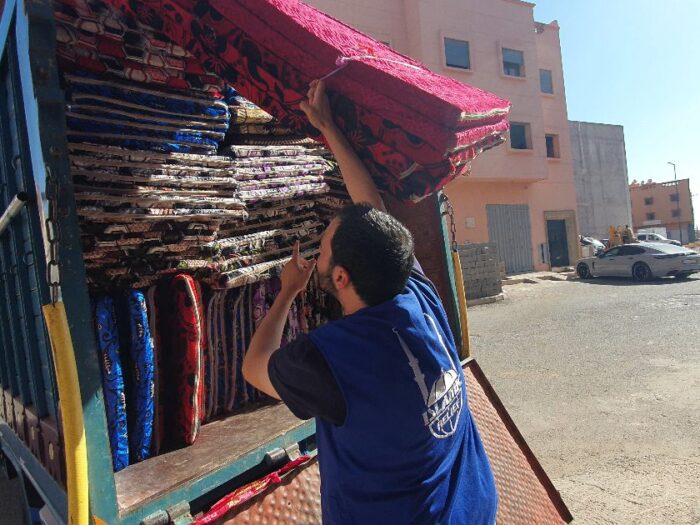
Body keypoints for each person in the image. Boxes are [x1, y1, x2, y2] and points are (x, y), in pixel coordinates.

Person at [242, 80, 498, 525]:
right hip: (473, 508)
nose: (317, 253)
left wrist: (286, 292)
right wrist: (328, 128)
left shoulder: (329, 358)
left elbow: (253, 366)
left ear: (339, 277)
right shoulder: (414, 293)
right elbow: (372, 207)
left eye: (322, 249)